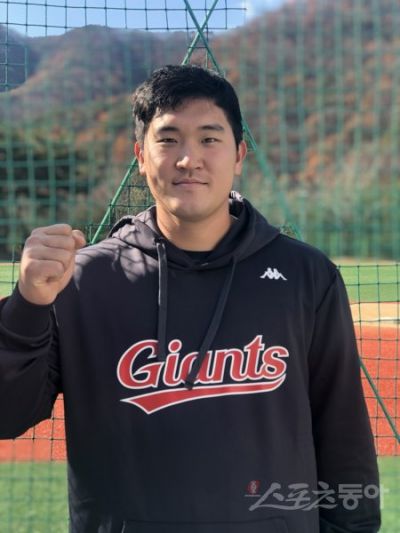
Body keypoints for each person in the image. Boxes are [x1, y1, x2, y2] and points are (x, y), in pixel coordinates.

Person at [0, 64, 380, 532]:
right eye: (169, 139)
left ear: (239, 154)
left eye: (209, 138)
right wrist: (28, 305)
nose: (189, 159)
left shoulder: (307, 275)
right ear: (141, 156)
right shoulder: (83, 279)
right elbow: (7, 415)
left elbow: (342, 432)